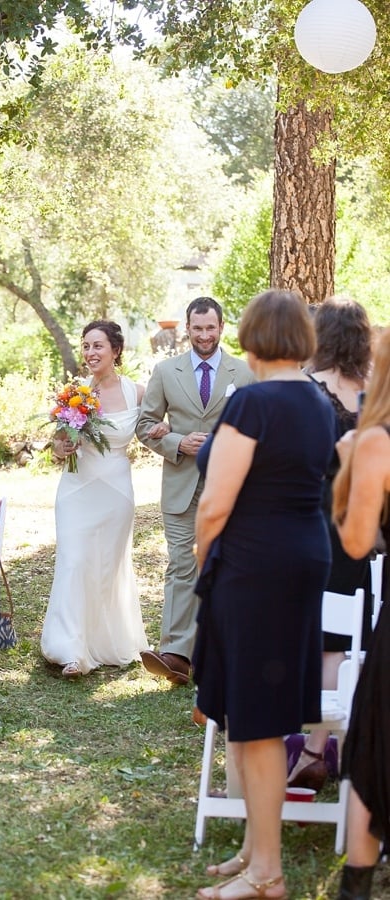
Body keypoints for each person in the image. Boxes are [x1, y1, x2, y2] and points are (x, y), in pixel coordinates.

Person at [192, 290, 336, 900]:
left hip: (255, 566)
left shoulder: (252, 402)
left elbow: (214, 503)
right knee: (266, 711)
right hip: (304, 558)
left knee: (255, 722)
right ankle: (255, 846)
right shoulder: (317, 399)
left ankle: (267, 874)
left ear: (250, 337)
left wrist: (205, 570)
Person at [136, 296, 254, 686]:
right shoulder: (166, 371)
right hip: (181, 485)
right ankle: (175, 654)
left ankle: (220, 653)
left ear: (222, 328)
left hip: (230, 485)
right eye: (197, 328)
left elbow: (255, 428)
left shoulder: (246, 372)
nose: (204, 335)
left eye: (211, 328)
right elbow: (145, 424)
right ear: (187, 328)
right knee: (181, 566)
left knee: (223, 567)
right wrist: (177, 443)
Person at [288, 297, 373, 792]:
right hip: (363, 522)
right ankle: (330, 741)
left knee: (321, 635)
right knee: (348, 636)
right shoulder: (373, 391)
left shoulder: (306, 388)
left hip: (314, 519)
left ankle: (313, 747)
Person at [41, 320, 149, 679]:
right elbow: (57, 446)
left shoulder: (138, 392)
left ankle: (104, 641)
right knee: (73, 561)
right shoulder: (75, 392)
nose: (90, 353)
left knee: (107, 565)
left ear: (115, 350)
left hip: (117, 490)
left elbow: (153, 429)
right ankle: (70, 649)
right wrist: (62, 446)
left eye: (98, 346)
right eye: (86, 346)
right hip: (76, 487)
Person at [331, 327, 390, 900]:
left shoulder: (375, 443)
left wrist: (348, 465)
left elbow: (355, 542)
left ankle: (357, 884)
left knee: (375, 741)